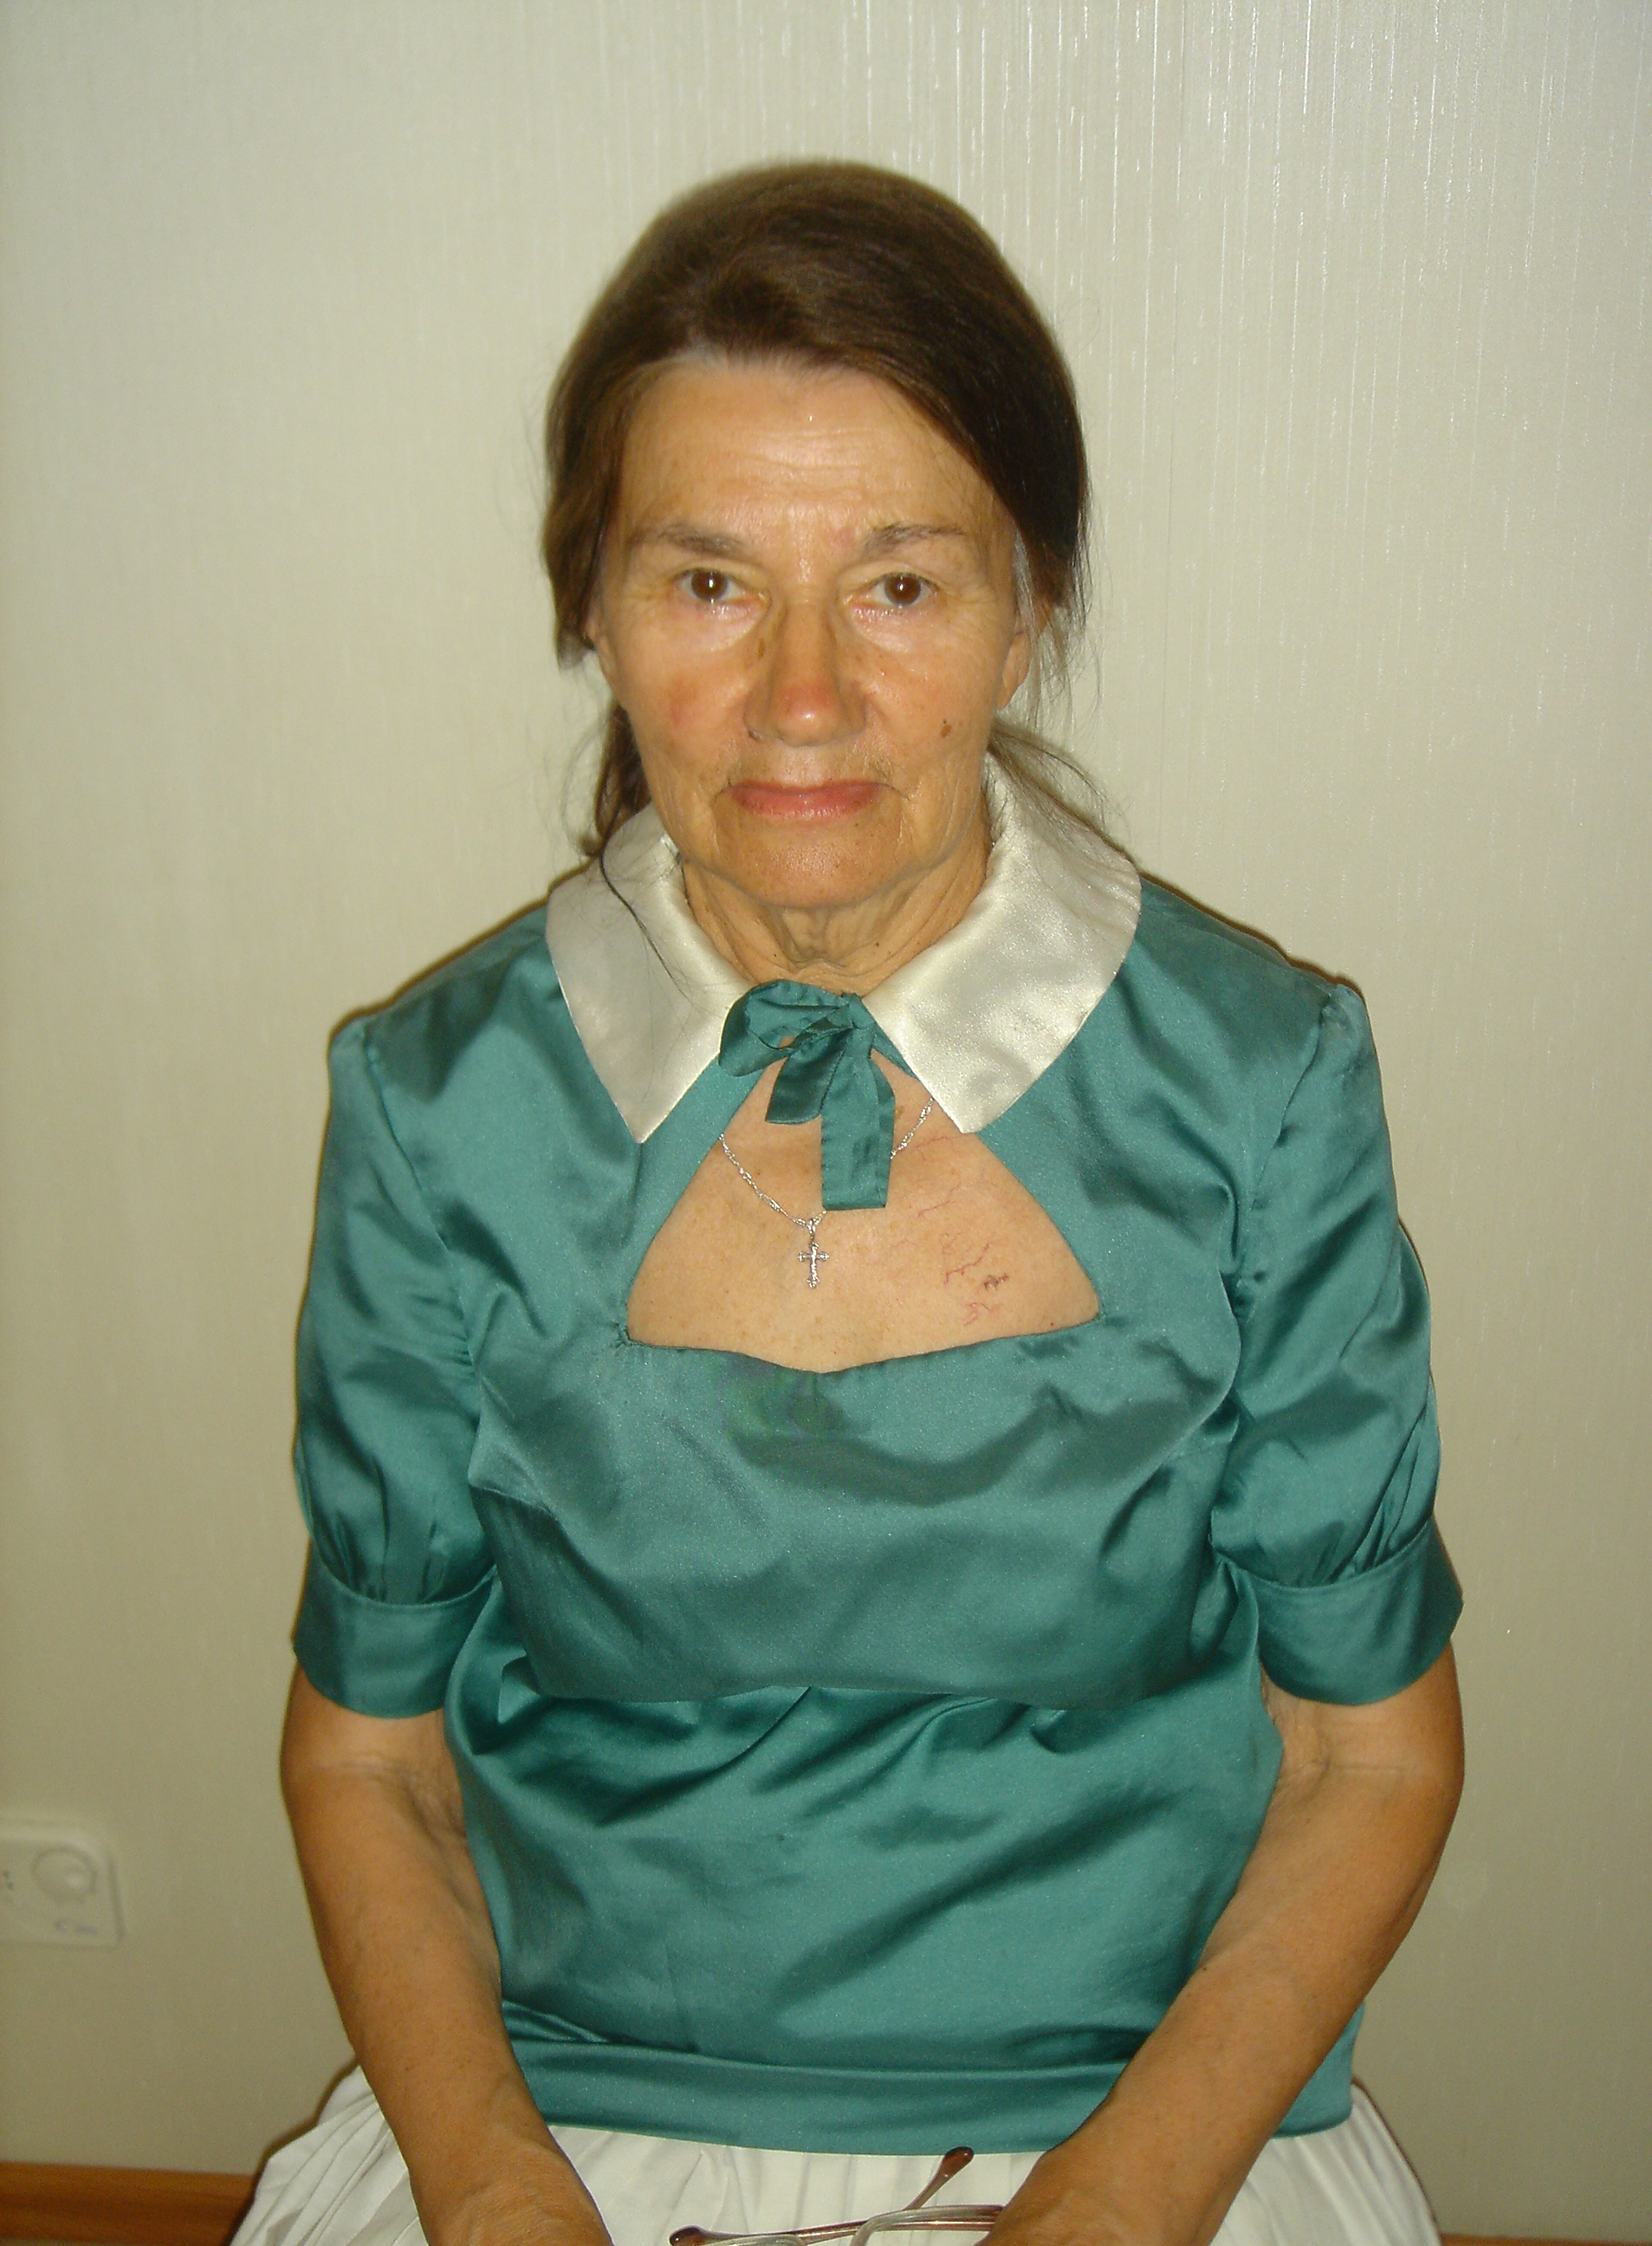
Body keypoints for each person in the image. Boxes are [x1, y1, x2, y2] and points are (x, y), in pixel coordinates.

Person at [241, 163, 1463, 2246]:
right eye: (710, 583)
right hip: (559, 2103)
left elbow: (1372, 1759)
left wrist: (1123, 2202)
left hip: (1148, 2111)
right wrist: (495, 2190)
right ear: (595, 608)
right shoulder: (436, 1106)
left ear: (1026, 606)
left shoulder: (1261, 1084)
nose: (801, 697)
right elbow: (367, 1757)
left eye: (898, 585)